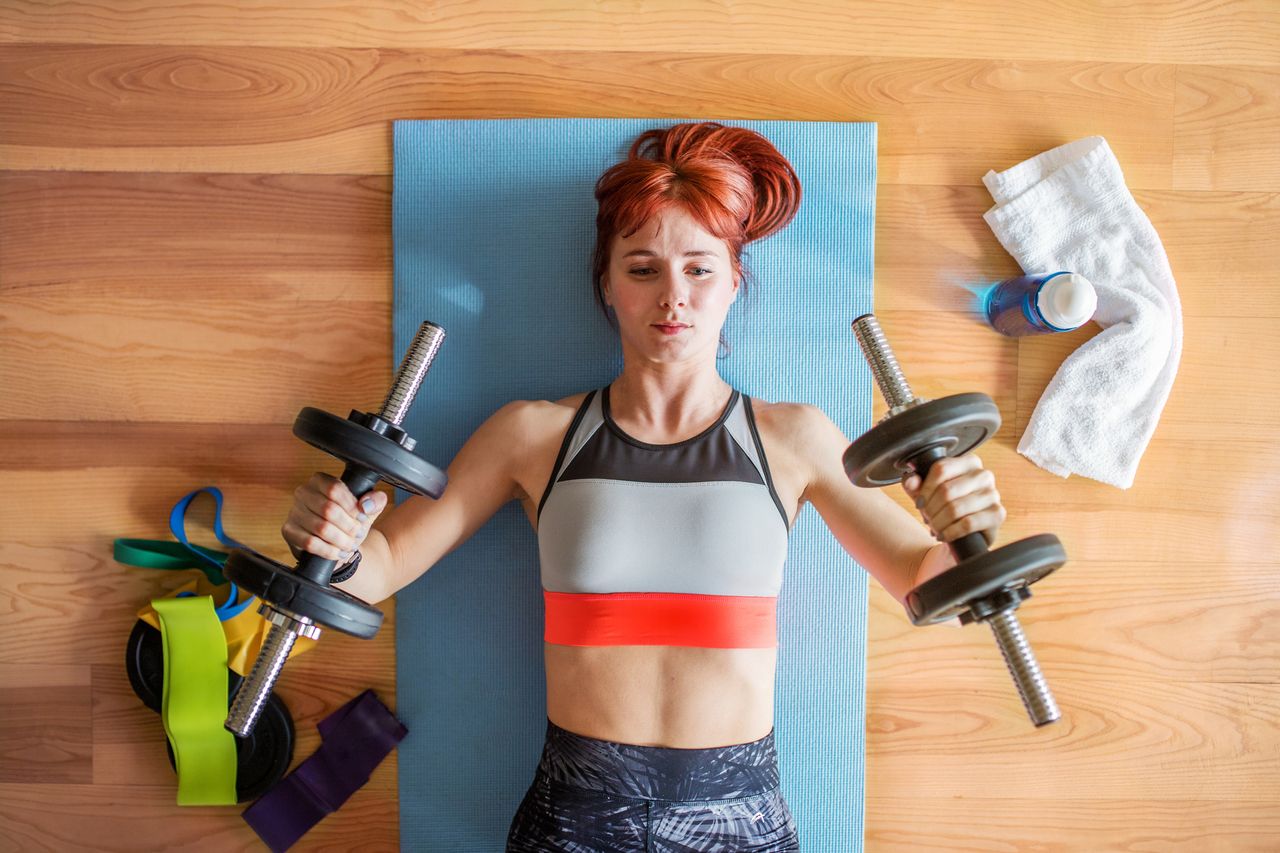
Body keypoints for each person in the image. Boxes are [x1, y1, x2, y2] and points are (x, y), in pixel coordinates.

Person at [281, 122, 1007, 852]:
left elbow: (930, 587)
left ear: (733, 281)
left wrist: (963, 526)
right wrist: (333, 541)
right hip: (575, 814)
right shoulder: (531, 434)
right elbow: (379, 569)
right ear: (607, 283)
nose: (673, 298)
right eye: (642, 268)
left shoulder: (795, 439)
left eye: (699, 269)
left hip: (740, 816)